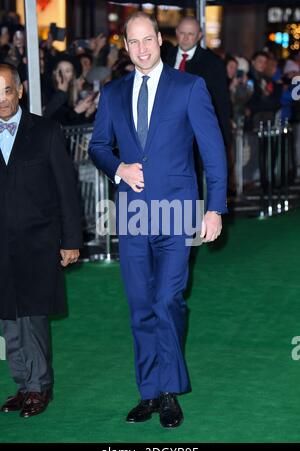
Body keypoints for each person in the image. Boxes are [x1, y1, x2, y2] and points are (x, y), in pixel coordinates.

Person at [89, 12, 227, 428]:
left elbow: (214, 152)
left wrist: (215, 208)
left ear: (160, 42)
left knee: (168, 300)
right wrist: (119, 170)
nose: (143, 48)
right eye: (134, 42)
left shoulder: (190, 87)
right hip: (132, 214)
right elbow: (97, 146)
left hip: (177, 212)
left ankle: (169, 391)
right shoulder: (112, 93)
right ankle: (148, 392)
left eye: (148, 39)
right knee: (140, 306)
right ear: (126, 47)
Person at [0, 63, 82, 418]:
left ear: (20, 91)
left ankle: (39, 388)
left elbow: (67, 190)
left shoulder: (46, 131)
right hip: (1, 247)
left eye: (6, 90)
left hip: (38, 241)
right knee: (8, 319)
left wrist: (71, 240)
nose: (0, 99)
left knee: (33, 318)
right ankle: (23, 384)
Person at [164, 16, 231, 147]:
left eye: (191, 34)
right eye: (182, 33)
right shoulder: (164, 57)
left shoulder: (212, 63)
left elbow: (221, 102)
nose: (186, 38)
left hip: (197, 132)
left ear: (199, 35)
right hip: (168, 130)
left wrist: (223, 138)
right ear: (176, 32)